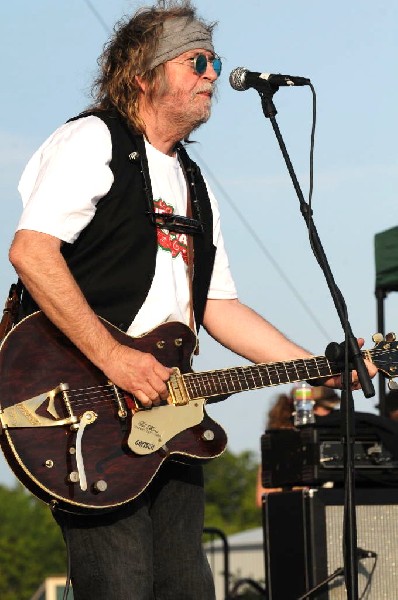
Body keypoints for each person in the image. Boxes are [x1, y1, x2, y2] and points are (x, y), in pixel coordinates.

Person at [8, 2, 376, 599]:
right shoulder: (92, 140)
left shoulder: (194, 183)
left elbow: (217, 307)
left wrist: (319, 366)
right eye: (195, 61)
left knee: (186, 587)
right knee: (121, 584)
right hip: (87, 412)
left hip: (171, 414)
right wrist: (116, 358)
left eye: (214, 61)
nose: (211, 75)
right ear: (143, 74)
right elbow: (31, 252)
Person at [255, 385, 340, 506]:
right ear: (310, 408)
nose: (331, 414)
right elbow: (261, 498)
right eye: (327, 409)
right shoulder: (282, 446)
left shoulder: (332, 442)